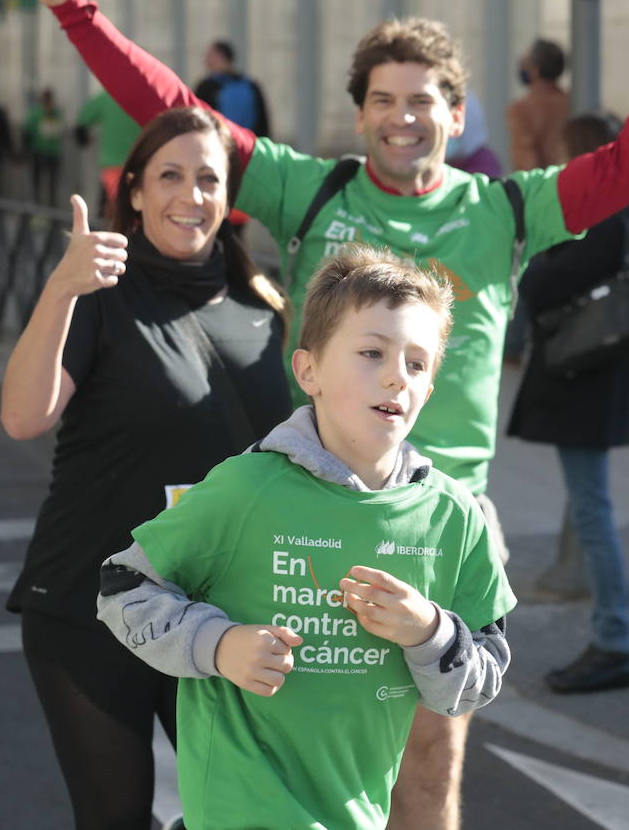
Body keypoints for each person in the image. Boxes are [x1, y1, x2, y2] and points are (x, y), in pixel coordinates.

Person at [7, 0, 629, 826]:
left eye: (423, 100)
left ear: (458, 117)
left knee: (427, 758)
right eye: (383, 100)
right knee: (292, 759)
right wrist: (70, 4)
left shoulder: (506, 207)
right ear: (360, 115)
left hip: (440, 514)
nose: (402, 117)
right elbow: (179, 110)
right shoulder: (315, 190)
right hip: (307, 511)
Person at [97, 243, 514, 830]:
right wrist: (218, 645)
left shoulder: (454, 516)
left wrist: (429, 632)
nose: (397, 374)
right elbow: (121, 586)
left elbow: (473, 686)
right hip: (238, 815)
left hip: (357, 815)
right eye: (372, 352)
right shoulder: (246, 487)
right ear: (308, 371)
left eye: (417, 364)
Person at [1, 105, 293, 828]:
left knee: (237, 813)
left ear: (229, 199)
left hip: (213, 613)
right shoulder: (99, 294)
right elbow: (22, 417)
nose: (189, 196)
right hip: (86, 605)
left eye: (207, 179)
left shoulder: (266, 309)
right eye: (169, 176)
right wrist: (61, 287)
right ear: (133, 191)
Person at [506, 112, 629, 693]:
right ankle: (607, 628)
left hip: (584, 377)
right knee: (588, 506)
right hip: (609, 371)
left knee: (592, 509)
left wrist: (536, 252)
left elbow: (541, 285)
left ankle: (613, 639)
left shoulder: (599, 215)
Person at [505, 38, 570, 171]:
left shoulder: (520, 110)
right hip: (570, 179)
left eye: (525, 62)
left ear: (535, 70)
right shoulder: (572, 102)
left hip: (540, 186)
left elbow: (526, 160)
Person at [75, 89, 142, 214]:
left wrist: (85, 139)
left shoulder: (108, 96)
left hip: (111, 167)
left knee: (110, 212)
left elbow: (82, 121)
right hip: (139, 168)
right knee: (136, 213)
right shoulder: (147, 98)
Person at [194, 39, 270, 137]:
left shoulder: (206, 87)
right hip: (248, 142)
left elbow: (199, 118)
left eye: (210, 55)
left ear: (221, 57)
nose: (206, 59)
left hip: (221, 143)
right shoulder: (251, 85)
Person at [24, 86, 66, 205]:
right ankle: (37, 204)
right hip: (39, 151)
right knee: (38, 182)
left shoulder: (56, 113)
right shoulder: (37, 113)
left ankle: (51, 205)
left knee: (51, 183)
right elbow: (28, 131)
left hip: (52, 152)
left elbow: (60, 130)